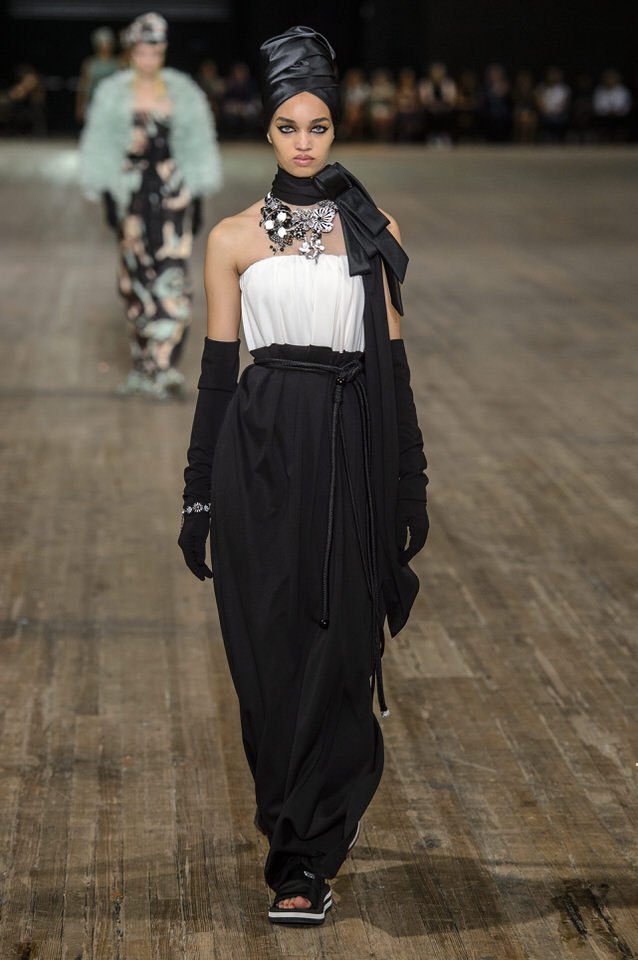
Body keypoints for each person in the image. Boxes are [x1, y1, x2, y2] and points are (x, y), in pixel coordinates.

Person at [178, 25, 429, 925]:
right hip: (259, 459)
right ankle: (292, 823)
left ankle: (304, 858)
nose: (304, 142)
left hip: (351, 451)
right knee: (269, 659)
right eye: (289, 126)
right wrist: (198, 493)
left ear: (335, 127)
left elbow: (393, 366)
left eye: (318, 126)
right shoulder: (231, 239)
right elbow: (217, 375)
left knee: (342, 654)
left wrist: (410, 481)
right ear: (268, 130)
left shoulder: (373, 230)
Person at [79, 12, 222, 399]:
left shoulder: (183, 92)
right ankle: (143, 366)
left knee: (172, 279)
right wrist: (107, 195)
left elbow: (197, 145)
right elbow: (101, 145)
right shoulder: (113, 93)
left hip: (174, 196)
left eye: (155, 51)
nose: (148, 59)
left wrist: (198, 197)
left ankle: (164, 366)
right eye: (142, 51)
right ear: (131, 51)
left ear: (164, 50)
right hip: (132, 198)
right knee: (134, 282)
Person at [76, 26, 119, 125]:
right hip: (93, 102)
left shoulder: (117, 63)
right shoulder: (90, 63)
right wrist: (80, 105)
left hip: (112, 103)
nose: (105, 46)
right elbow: (83, 85)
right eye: (102, 43)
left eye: (107, 42)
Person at [419, 61, 457, 146]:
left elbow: (451, 98)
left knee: (445, 113)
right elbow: (423, 99)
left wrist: (441, 105)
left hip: (445, 107)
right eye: (435, 72)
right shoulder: (425, 83)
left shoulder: (449, 83)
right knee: (430, 113)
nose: (437, 75)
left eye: (439, 72)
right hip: (430, 107)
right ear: (431, 73)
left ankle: (444, 136)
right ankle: (432, 136)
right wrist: (432, 105)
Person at [593, 69, 632, 143]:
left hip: (620, 117)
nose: (610, 80)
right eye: (608, 78)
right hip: (604, 117)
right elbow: (597, 107)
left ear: (617, 79)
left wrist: (616, 111)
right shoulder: (599, 90)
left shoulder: (623, 90)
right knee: (600, 122)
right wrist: (607, 111)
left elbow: (626, 106)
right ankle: (603, 142)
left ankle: (621, 142)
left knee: (623, 122)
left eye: (612, 78)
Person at [536, 67, 570, 143]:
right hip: (545, 114)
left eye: (555, 75)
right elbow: (539, 103)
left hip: (559, 114)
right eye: (551, 75)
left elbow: (566, 105)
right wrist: (546, 111)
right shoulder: (541, 88)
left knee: (561, 118)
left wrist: (557, 112)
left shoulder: (564, 89)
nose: (553, 77)